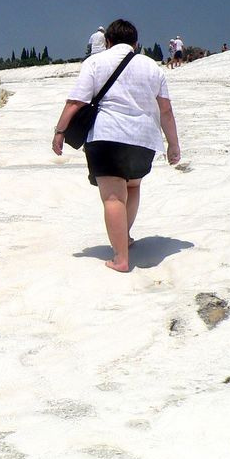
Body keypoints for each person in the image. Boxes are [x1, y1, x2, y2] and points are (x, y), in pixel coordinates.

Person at [52, 19, 181, 273]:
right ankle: (126, 237)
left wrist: (59, 132)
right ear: (136, 43)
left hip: (107, 136)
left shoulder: (96, 62)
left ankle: (121, 258)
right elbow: (165, 110)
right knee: (132, 187)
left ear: (108, 42)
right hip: (143, 140)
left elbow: (75, 102)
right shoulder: (152, 67)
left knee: (113, 196)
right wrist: (173, 145)